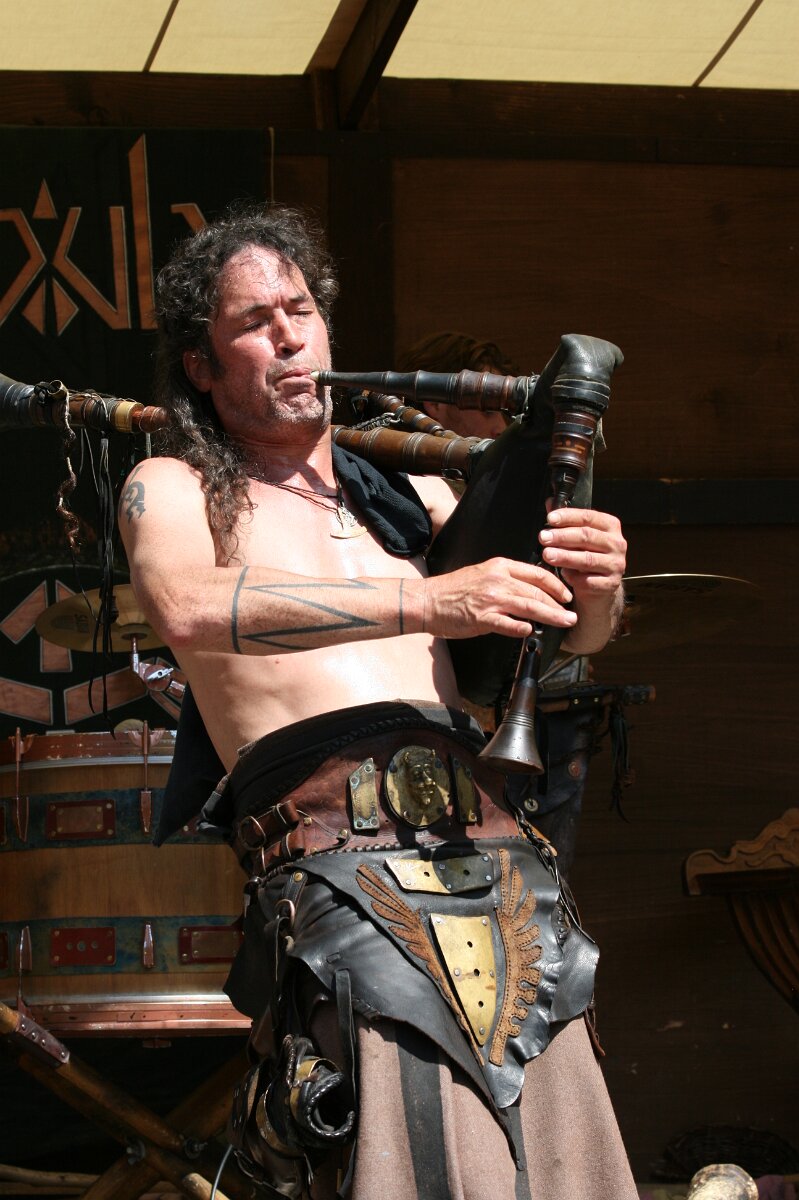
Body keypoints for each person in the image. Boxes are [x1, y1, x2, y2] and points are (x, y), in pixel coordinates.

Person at [119, 203, 634, 1200]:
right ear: (201, 366)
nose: (288, 336)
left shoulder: (416, 498)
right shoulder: (173, 484)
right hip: (340, 867)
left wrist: (599, 589)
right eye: (253, 321)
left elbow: (565, 642)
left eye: (300, 311)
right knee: (419, 1153)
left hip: (494, 852)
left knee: (560, 1145)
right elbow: (183, 606)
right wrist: (425, 600)